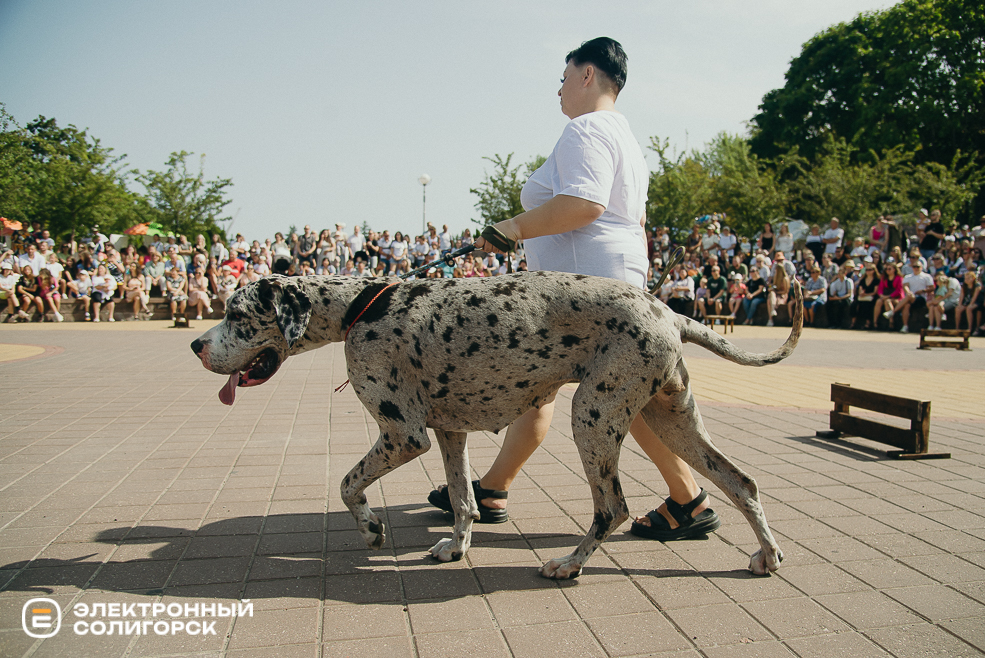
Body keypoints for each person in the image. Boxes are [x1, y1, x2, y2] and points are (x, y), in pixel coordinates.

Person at [428, 37, 720, 541]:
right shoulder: (624, 136)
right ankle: (493, 489)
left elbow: (585, 204)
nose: (558, 90)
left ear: (587, 75)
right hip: (603, 284)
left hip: (585, 295)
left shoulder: (585, 129)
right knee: (539, 391)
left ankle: (689, 498)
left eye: (563, 78)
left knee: (629, 398)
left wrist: (512, 228)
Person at [895, 259, 934, 333]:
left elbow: (932, 288)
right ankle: (905, 326)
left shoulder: (926, 276)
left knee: (909, 297)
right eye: (914, 266)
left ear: (921, 267)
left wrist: (923, 291)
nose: (916, 268)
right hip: (910, 298)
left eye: (918, 266)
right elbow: (905, 286)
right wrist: (908, 292)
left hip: (922, 298)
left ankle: (893, 311)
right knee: (906, 305)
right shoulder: (908, 276)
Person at [873, 262, 904, 329]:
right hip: (885, 296)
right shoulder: (884, 278)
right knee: (878, 301)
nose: (887, 270)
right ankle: (875, 322)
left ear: (894, 269)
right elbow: (880, 288)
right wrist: (881, 295)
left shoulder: (899, 278)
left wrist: (889, 296)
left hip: (896, 298)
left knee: (887, 302)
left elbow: (899, 291)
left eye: (889, 269)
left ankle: (891, 322)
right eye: (886, 269)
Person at [852, 259, 880, 329]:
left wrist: (866, 294)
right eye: (866, 270)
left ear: (874, 270)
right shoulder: (863, 280)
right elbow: (860, 289)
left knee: (867, 305)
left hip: (872, 297)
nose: (867, 271)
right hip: (863, 296)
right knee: (854, 304)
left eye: (869, 270)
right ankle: (853, 323)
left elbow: (875, 292)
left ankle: (868, 323)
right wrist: (861, 293)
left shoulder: (876, 280)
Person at [826, 263, 854, 329]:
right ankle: (832, 323)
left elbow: (849, 294)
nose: (839, 275)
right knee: (829, 304)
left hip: (846, 299)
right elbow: (833, 293)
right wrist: (836, 297)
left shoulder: (849, 281)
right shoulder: (836, 282)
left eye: (841, 273)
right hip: (838, 298)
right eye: (838, 273)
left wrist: (840, 298)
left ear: (845, 273)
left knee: (842, 305)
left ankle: (840, 324)